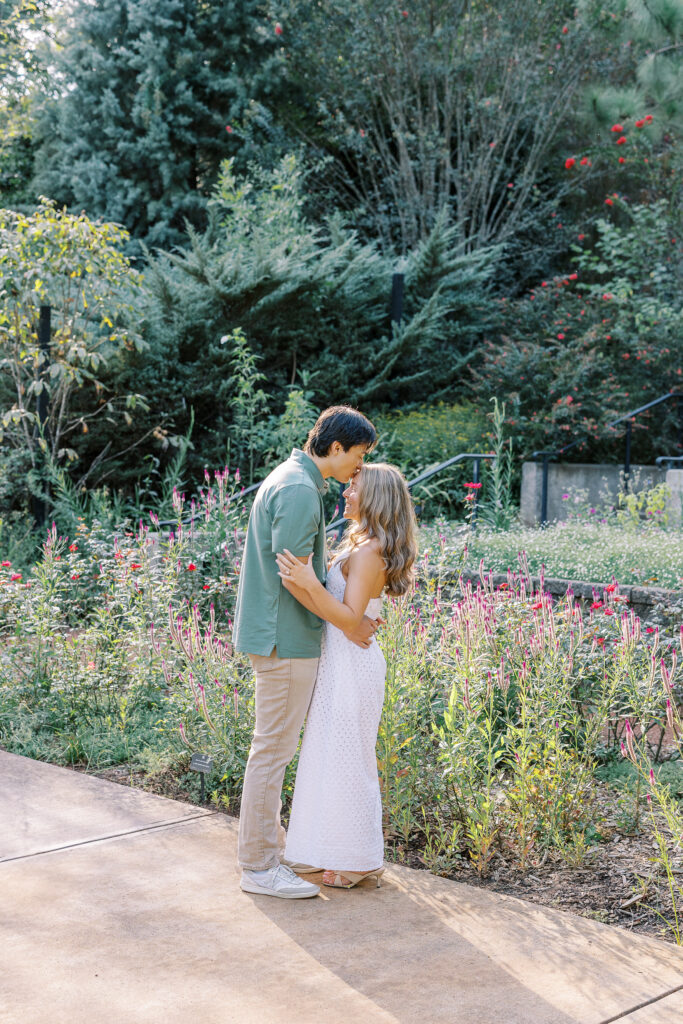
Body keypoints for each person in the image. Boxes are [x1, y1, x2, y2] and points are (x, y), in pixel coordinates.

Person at [234, 405, 379, 900]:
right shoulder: (299, 489)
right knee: (272, 751)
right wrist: (349, 621)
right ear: (336, 447)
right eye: (358, 457)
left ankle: (267, 852)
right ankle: (258, 867)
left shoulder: (294, 479)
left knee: (271, 749)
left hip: (280, 636)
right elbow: (293, 575)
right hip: (286, 639)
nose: (358, 469)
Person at [276, 462, 418, 889]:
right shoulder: (360, 543)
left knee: (348, 759)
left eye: (354, 487)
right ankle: (319, 849)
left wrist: (307, 581)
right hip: (340, 662)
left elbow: (350, 617)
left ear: (374, 495)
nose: (346, 492)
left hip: (352, 666)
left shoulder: (370, 550)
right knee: (326, 756)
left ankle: (357, 861)